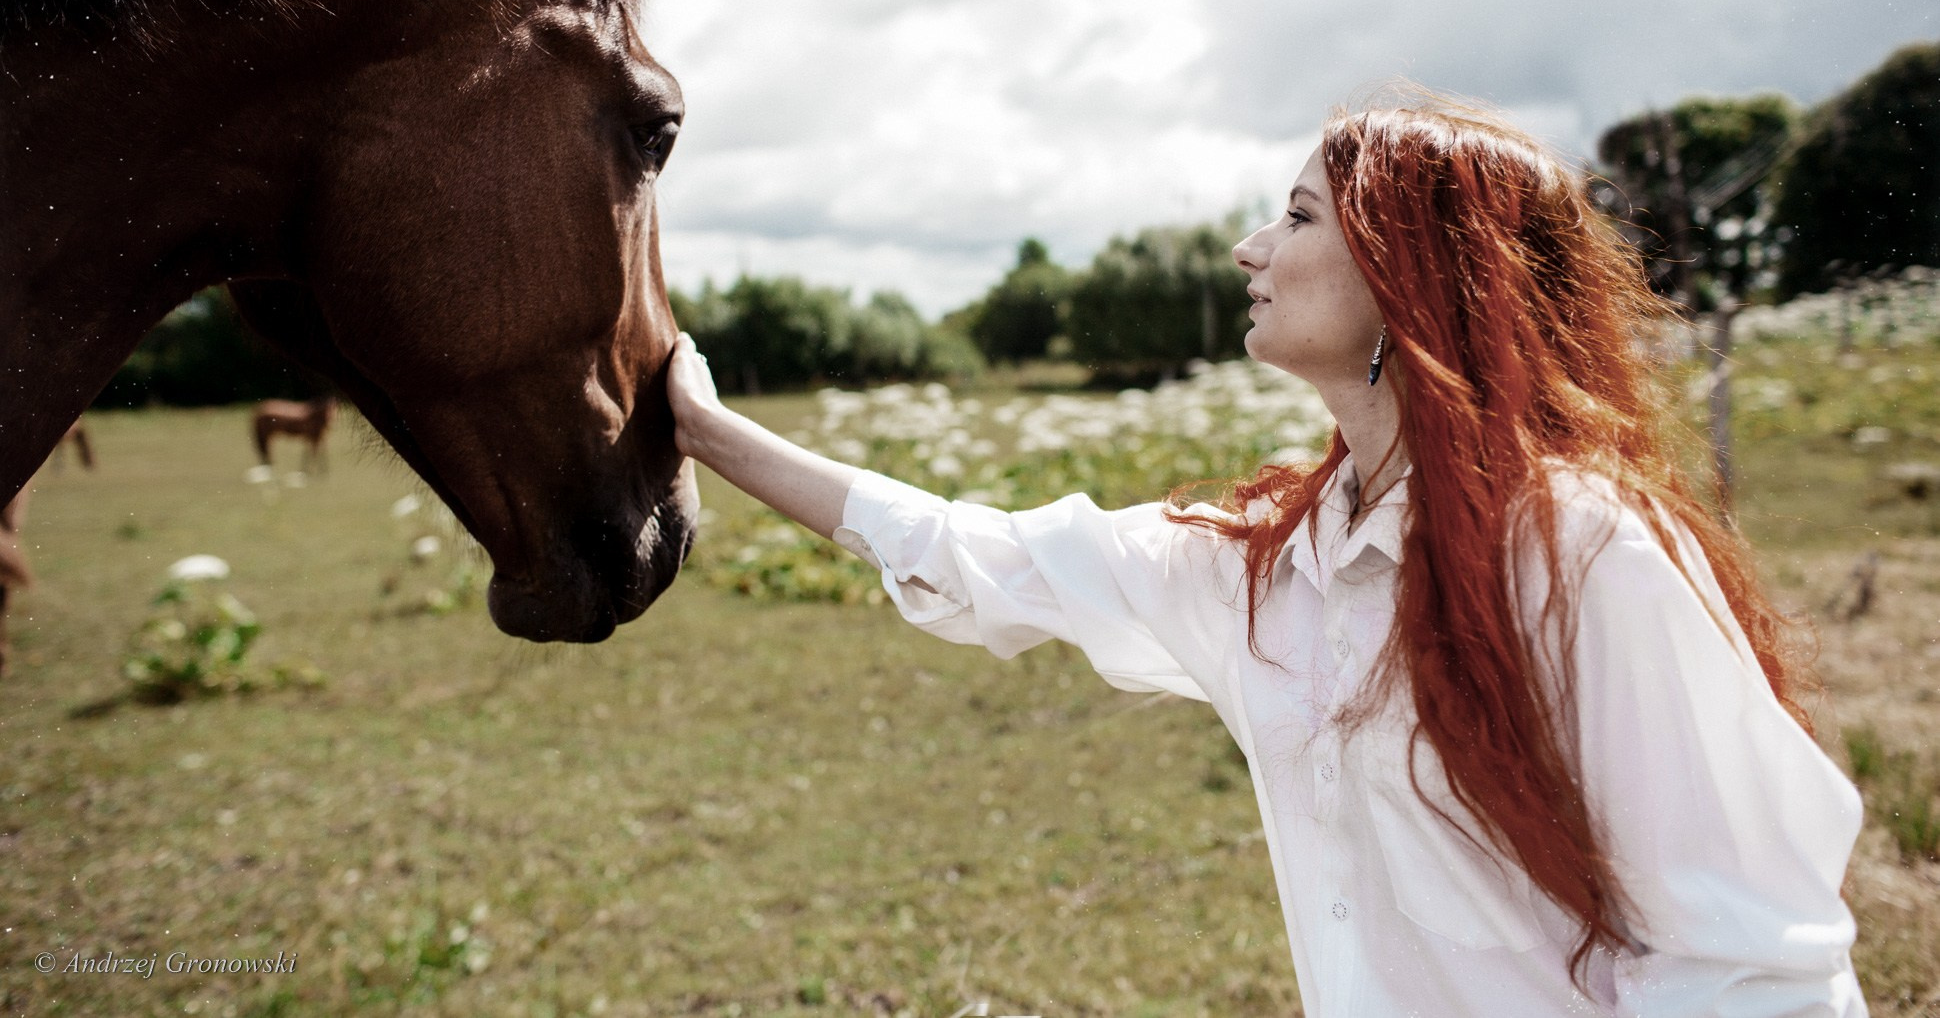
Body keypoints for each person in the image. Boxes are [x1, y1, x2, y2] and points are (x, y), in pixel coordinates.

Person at [665, 93, 1867, 1017]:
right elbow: (977, 558)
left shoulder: (1577, 549)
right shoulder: (1266, 566)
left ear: (1415, 275)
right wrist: (707, 431)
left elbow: (1750, 960)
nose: (1247, 248)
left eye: (1295, 217)